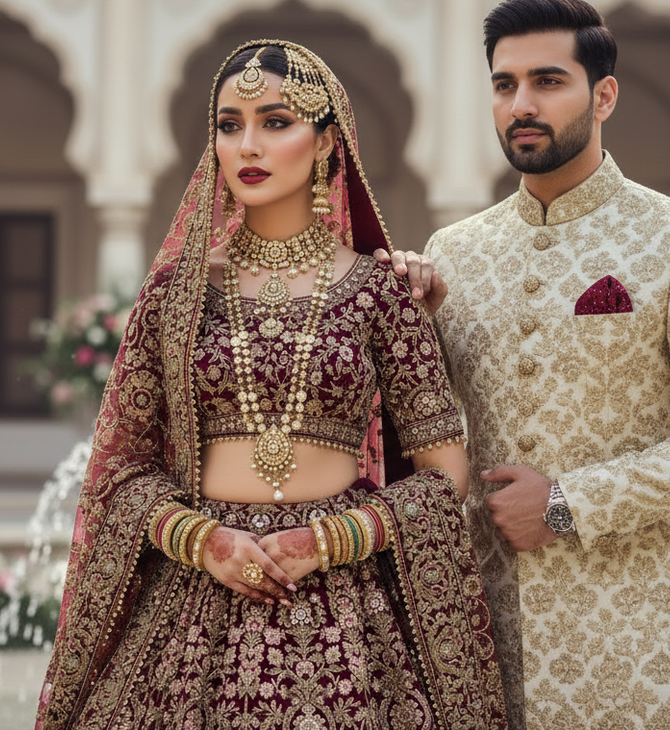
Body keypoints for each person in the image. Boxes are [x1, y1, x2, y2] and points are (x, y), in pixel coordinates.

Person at [36, 41, 507, 730]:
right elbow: (122, 472)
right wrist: (206, 542)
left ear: (324, 143)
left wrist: (324, 541)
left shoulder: (382, 292)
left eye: (276, 121)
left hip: (345, 605)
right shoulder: (177, 294)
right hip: (197, 595)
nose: (247, 144)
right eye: (229, 125)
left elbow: (444, 476)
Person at [382, 0, 670, 728]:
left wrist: (566, 503)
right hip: (481, 647)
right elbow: (417, 435)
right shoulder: (454, 253)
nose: (521, 104)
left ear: (604, 95)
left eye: (547, 81)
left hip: (637, 649)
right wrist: (400, 324)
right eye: (504, 85)